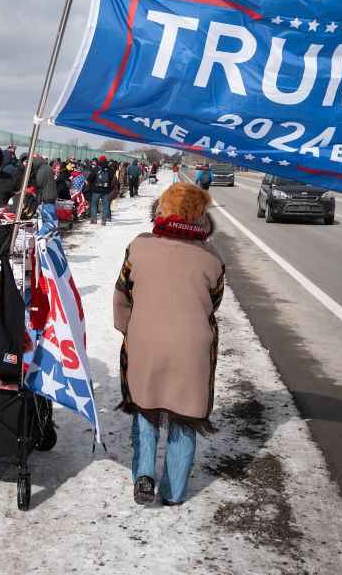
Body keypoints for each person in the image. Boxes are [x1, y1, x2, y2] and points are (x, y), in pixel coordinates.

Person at [113, 183, 225, 506]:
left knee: (145, 409)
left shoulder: (139, 246)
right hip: (192, 348)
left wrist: (130, 329)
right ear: (200, 216)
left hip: (145, 340)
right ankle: (175, 492)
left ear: (161, 211)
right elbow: (214, 301)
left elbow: (123, 291)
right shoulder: (212, 257)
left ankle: (144, 473)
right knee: (185, 417)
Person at [90, 156, 118, 225]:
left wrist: (93, 186)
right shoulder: (110, 170)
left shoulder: (96, 169)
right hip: (106, 191)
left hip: (96, 190)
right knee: (105, 205)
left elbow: (90, 178)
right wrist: (109, 188)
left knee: (94, 204)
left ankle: (94, 219)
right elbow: (112, 180)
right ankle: (103, 221)